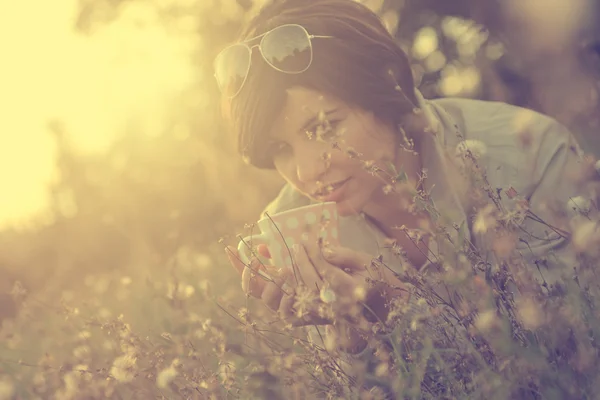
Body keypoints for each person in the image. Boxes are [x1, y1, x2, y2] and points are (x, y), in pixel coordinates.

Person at [217, 0, 599, 393]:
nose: (306, 171)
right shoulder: (291, 225)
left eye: (323, 126)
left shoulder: (529, 154)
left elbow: (569, 354)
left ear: (387, 84)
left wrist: (397, 310)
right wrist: (355, 341)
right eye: (281, 147)